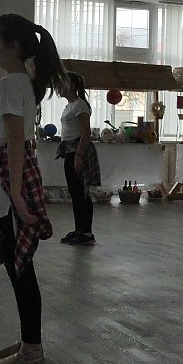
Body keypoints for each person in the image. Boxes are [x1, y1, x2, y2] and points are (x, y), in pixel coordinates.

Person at [0, 13, 68, 364]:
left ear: (13, 46)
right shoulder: (19, 82)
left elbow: (14, 140)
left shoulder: (11, 84)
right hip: (8, 174)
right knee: (19, 267)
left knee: (21, 268)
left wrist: (14, 192)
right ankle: (29, 343)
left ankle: (32, 354)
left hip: (6, 177)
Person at [56, 71, 101, 246]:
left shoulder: (80, 105)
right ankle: (79, 230)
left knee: (82, 193)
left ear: (73, 86)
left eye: (64, 83)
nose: (60, 87)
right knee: (75, 193)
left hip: (78, 152)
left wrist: (79, 156)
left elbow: (86, 133)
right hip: (70, 152)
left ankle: (87, 232)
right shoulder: (70, 105)